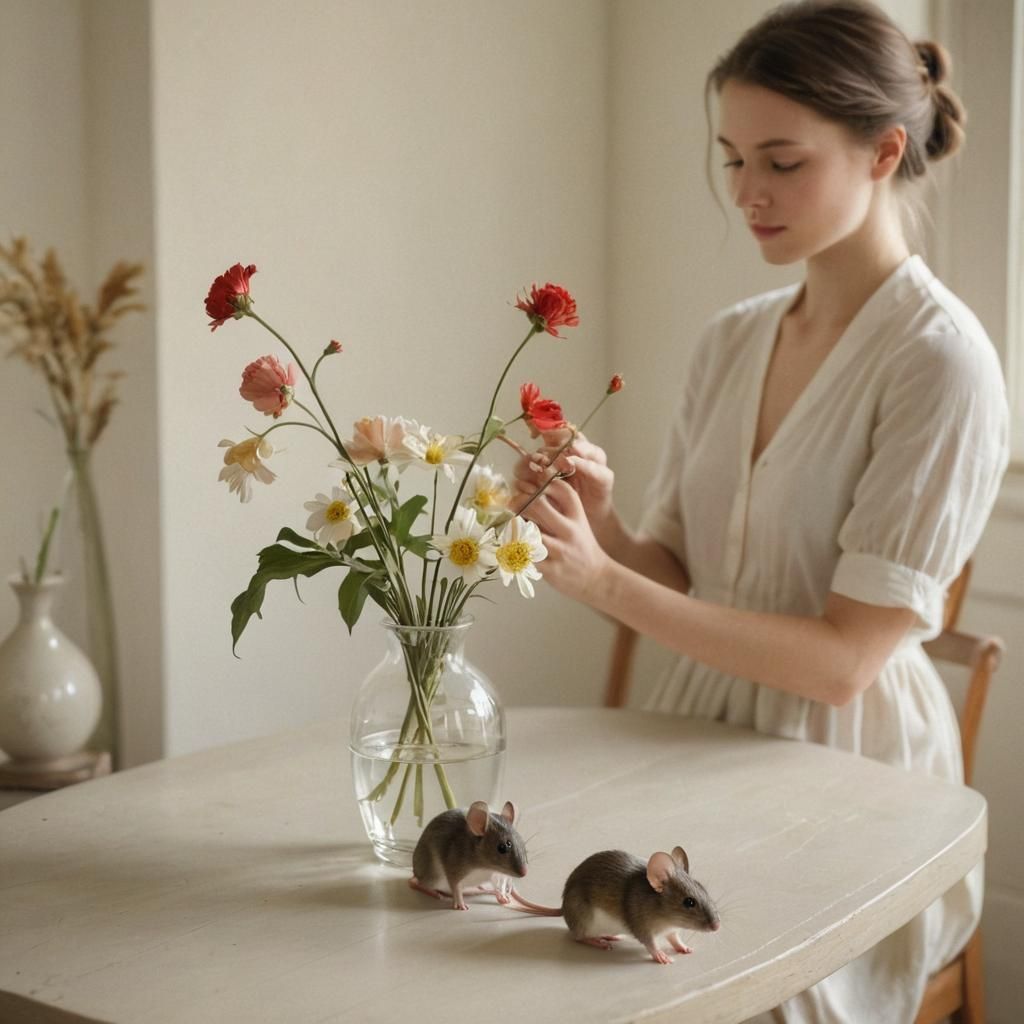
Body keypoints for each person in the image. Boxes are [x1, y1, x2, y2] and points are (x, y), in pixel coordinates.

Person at [512, 1, 1010, 1021]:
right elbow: (686, 587)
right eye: (732, 158)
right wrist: (601, 529)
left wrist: (605, 579)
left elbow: (841, 662)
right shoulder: (728, 341)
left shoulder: (939, 361)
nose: (746, 192)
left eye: (781, 161)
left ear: (882, 152)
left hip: (855, 779)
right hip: (696, 736)